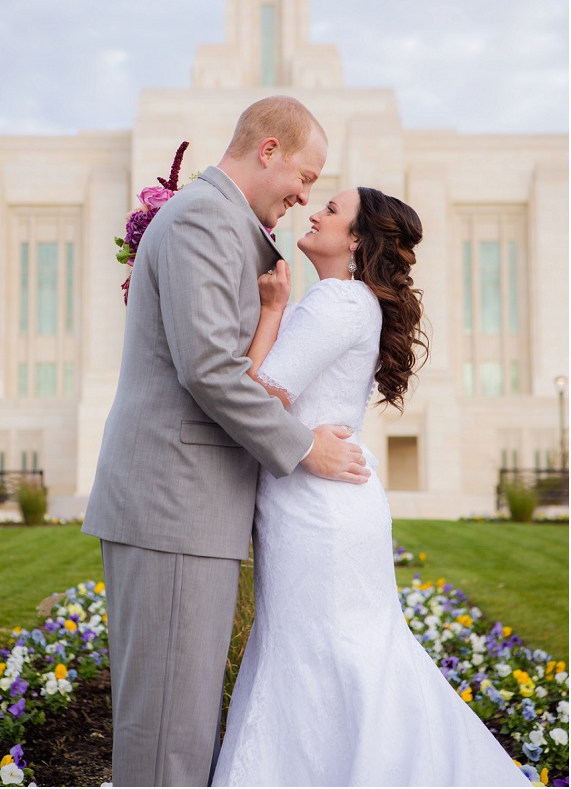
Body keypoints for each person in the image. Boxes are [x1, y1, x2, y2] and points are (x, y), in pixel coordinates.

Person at [82, 96, 369, 787]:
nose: (306, 196)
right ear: (268, 149)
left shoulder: (224, 223)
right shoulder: (205, 220)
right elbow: (210, 368)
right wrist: (307, 447)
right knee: (168, 741)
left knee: (179, 727)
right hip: (173, 507)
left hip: (187, 510)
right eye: (305, 175)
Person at [212, 187, 529, 786]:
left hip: (317, 514)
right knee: (344, 655)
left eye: (330, 210)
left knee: (318, 658)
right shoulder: (351, 301)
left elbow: (255, 396)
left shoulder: (332, 301)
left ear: (356, 240)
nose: (314, 212)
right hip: (325, 503)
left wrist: (273, 312)